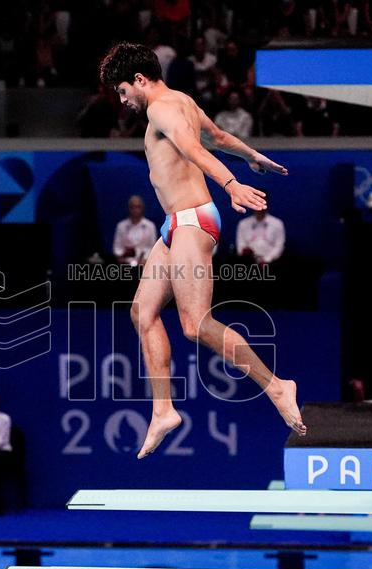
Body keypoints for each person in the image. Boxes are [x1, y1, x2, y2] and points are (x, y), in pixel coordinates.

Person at [99, 42, 305, 459]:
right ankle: (163, 410)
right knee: (142, 311)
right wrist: (251, 156)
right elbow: (218, 137)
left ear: (139, 80)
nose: (123, 101)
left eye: (122, 91)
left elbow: (196, 149)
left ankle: (276, 385)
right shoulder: (184, 102)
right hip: (175, 225)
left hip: (194, 220)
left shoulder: (161, 109)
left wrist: (231, 184)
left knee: (195, 325)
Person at [235, 197, 285, 265]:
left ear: (267, 203)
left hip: (271, 263)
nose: (259, 205)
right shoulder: (243, 224)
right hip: (248, 262)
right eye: (256, 202)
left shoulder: (277, 223)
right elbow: (241, 246)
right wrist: (247, 254)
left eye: (262, 202)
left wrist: (266, 260)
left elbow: (279, 246)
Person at [112, 195, 158, 265]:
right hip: (125, 264)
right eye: (132, 207)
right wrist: (121, 255)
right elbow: (117, 247)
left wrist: (145, 259)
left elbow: (153, 247)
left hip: (145, 263)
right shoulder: (121, 226)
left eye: (138, 207)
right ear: (129, 208)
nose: (135, 210)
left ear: (142, 208)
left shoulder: (150, 226)